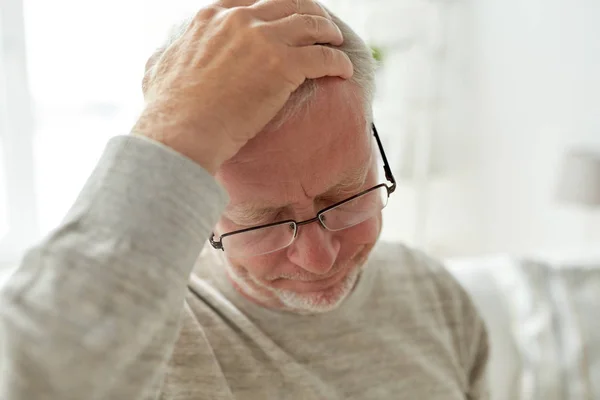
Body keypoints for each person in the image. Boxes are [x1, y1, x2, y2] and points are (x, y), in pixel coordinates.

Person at [0, 0, 489, 399]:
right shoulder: (151, 334)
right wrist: (176, 129)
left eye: (345, 196)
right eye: (265, 221)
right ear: (202, 209)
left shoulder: (434, 294)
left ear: (374, 143)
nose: (319, 259)